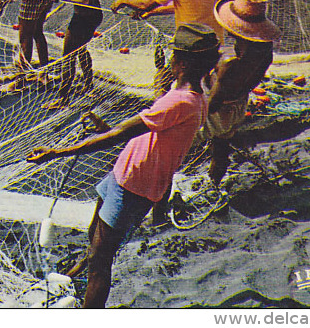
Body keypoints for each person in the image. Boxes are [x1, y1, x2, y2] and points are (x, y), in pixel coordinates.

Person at [27, 24, 220, 308]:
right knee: (96, 235)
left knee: (101, 262)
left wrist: (57, 152)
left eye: (172, 55)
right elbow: (150, 136)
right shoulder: (191, 93)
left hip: (133, 187)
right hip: (122, 175)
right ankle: (78, 276)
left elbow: (121, 134)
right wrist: (103, 126)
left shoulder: (180, 101)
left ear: (182, 63)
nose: (168, 58)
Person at [203, 0, 281, 187]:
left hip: (219, 110)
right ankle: (215, 183)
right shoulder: (265, 53)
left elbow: (213, 103)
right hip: (238, 105)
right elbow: (250, 83)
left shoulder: (230, 62)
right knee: (221, 146)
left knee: (181, 142)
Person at [39, 0, 103, 111]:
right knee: (81, 50)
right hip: (86, 17)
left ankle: (63, 99)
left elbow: (88, 1)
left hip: (86, 18)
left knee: (68, 56)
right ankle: (88, 85)